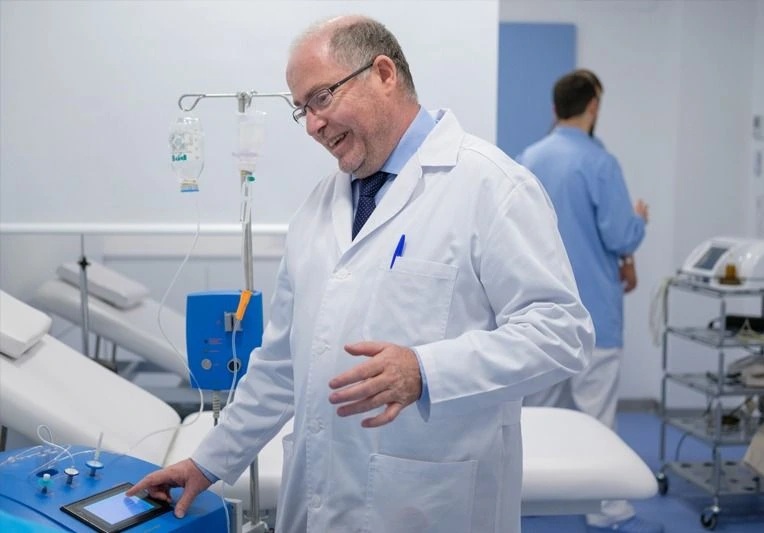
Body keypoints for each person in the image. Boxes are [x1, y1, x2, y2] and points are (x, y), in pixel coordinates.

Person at [129, 16, 593, 533]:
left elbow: (561, 334)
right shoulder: (317, 209)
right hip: (319, 503)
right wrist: (207, 462)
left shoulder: (492, 186)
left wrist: (426, 371)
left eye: (321, 98)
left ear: (384, 74)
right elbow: (282, 364)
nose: (312, 125)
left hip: (431, 506)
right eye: (301, 109)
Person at [517, 70, 659, 533]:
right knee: (597, 418)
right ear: (593, 105)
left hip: (538, 315)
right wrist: (638, 220)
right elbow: (620, 236)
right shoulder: (600, 163)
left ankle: (528, 500)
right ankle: (608, 510)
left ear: (555, 107)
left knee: (536, 417)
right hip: (593, 313)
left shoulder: (527, 159)